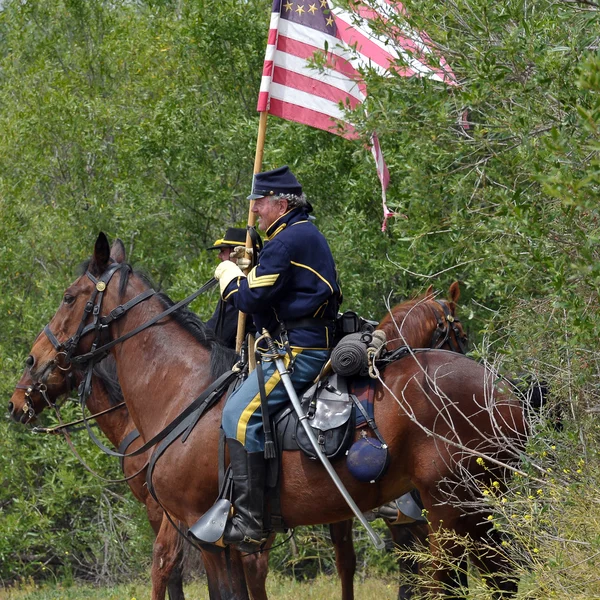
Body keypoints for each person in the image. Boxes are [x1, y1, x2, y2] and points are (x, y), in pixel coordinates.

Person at [189, 165, 341, 551]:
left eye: (258, 201)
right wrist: (254, 264)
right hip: (299, 342)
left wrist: (229, 275)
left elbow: (251, 299)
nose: (254, 210)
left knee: (236, 416)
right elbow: (266, 307)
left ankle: (253, 523)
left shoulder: (289, 241)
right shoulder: (292, 236)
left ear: (280, 202)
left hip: (302, 351)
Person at [205, 227, 250, 349]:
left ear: (238, 253)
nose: (219, 256)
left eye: (223, 251)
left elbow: (218, 334)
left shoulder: (242, 285)